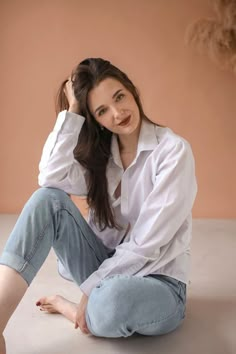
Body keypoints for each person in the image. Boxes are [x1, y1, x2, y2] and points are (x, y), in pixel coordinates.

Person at [0, 58, 197, 353]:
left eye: (119, 97)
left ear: (131, 90)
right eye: (102, 111)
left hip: (159, 284)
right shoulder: (102, 158)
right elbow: (49, 177)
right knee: (47, 200)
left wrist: (91, 289)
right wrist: (73, 111)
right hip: (106, 268)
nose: (118, 114)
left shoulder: (172, 151)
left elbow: (146, 244)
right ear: (96, 120)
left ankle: (76, 309)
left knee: (112, 301)